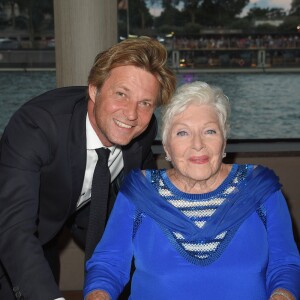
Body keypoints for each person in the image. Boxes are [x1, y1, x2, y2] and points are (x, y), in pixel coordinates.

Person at [84, 81, 300, 300]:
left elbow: (285, 264)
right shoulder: (140, 191)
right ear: (167, 147)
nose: (198, 144)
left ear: (224, 142)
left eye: (209, 131)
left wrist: (282, 295)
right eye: (182, 133)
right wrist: (99, 294)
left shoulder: (260, 189)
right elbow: (108, 264)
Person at [0, 36, 176, 300]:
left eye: (145, 103)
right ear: (94, 90)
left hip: (53, 233)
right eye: (121, 94)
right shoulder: (37, 126)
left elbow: (146, 200)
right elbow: (13, 230)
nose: (131, 114)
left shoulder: (143, 129)